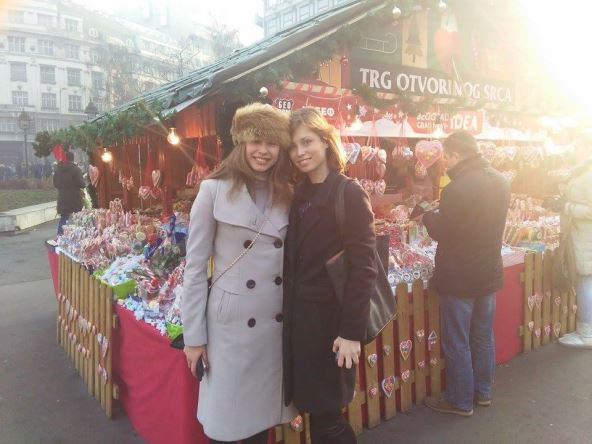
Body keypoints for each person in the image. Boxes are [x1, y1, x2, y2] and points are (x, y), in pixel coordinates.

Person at [181, 103, 297, 444]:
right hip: (230, 327)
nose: (263, 151)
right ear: (241, 142)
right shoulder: (212, 190)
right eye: (255, 141)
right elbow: (195, 268)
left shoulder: (287, 192)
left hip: (272, 324)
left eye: (272, 143)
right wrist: (194, 338)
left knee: (260, 423)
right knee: (227, 424)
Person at [283, 108, 377, 444]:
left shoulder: (348, 192)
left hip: (331, 326)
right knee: (313, 412)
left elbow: (364, 267)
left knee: (328, 419)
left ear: (325, 141)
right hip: (299, 324)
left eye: (307, 141)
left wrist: (351, 332)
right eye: (293, 146)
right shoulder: (298, 193)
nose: (300, 152)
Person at [421, 131, 510, 416]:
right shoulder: (500, 180)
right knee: (482, 336)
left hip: (460, 275)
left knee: (457, 340)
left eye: (446, 157)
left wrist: (426, 215)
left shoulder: (457, 188)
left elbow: (442, 230)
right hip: (488, 271)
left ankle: (460, 400)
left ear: (457, 154)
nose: (444, 162)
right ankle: (483, 392)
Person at [557, 139, 592, 348]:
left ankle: (587, 332)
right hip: (581, 235)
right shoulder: (581, 171)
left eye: (578, 145)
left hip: (585, 237)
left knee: (584, 281)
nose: (574, 149)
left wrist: (567, 207)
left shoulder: (587, 174)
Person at [53, 151, 85, 235]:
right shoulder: (76, 169)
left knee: (64, 217)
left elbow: (56, 184)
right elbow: (82, 184)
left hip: (62, 198)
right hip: (75, 198)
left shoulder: (58, 170)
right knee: (78, 217)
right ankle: (79, 235)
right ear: (73, 158)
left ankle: (60, 235)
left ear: (65, 158)